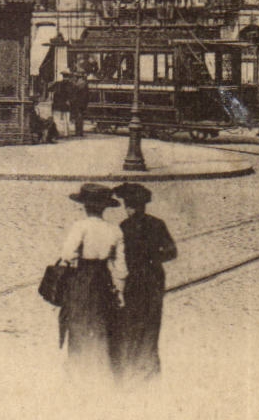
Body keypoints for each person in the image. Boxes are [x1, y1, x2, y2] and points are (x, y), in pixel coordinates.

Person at [55, 183, 126, 378]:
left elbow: (67, 254)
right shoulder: (115, 230)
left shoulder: (81, 226)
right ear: (104, 207)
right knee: (102, 322)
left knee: (78, 322)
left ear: (85, 206)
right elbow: (120, 267)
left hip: (82, 278)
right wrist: (120, 291)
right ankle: (100, 368)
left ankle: (77, 367)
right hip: (103, 279)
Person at [111, 182, 176, 380]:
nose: (129, 209)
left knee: (132, 319)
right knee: (151, 319)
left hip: (135, 279)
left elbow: (119, 256)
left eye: (129, 205)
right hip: (153, 278)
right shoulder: (157, 224)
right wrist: (153, 259)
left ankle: (133, 363)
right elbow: (171, 252)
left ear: (132, 206)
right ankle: (148, 364)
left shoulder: (124, 226)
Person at [47, 71, 73, 144]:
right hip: (65, 104)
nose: (66, 78)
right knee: (66, 119)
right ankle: (65, 133)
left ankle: (58, 133)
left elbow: (49, 89)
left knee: (57, 119)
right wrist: (69, 101)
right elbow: (73, 95)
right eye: (66, 77)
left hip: (58, 104)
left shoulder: (58, 84)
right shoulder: (71, 85)